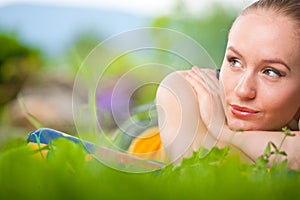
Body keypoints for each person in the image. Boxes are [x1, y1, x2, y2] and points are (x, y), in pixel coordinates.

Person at [156, 0, 300, 169]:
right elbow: (207, 174)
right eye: (235, 61)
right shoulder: (186, 87)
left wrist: (223, 131)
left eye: (270, 72)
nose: (243, 90)